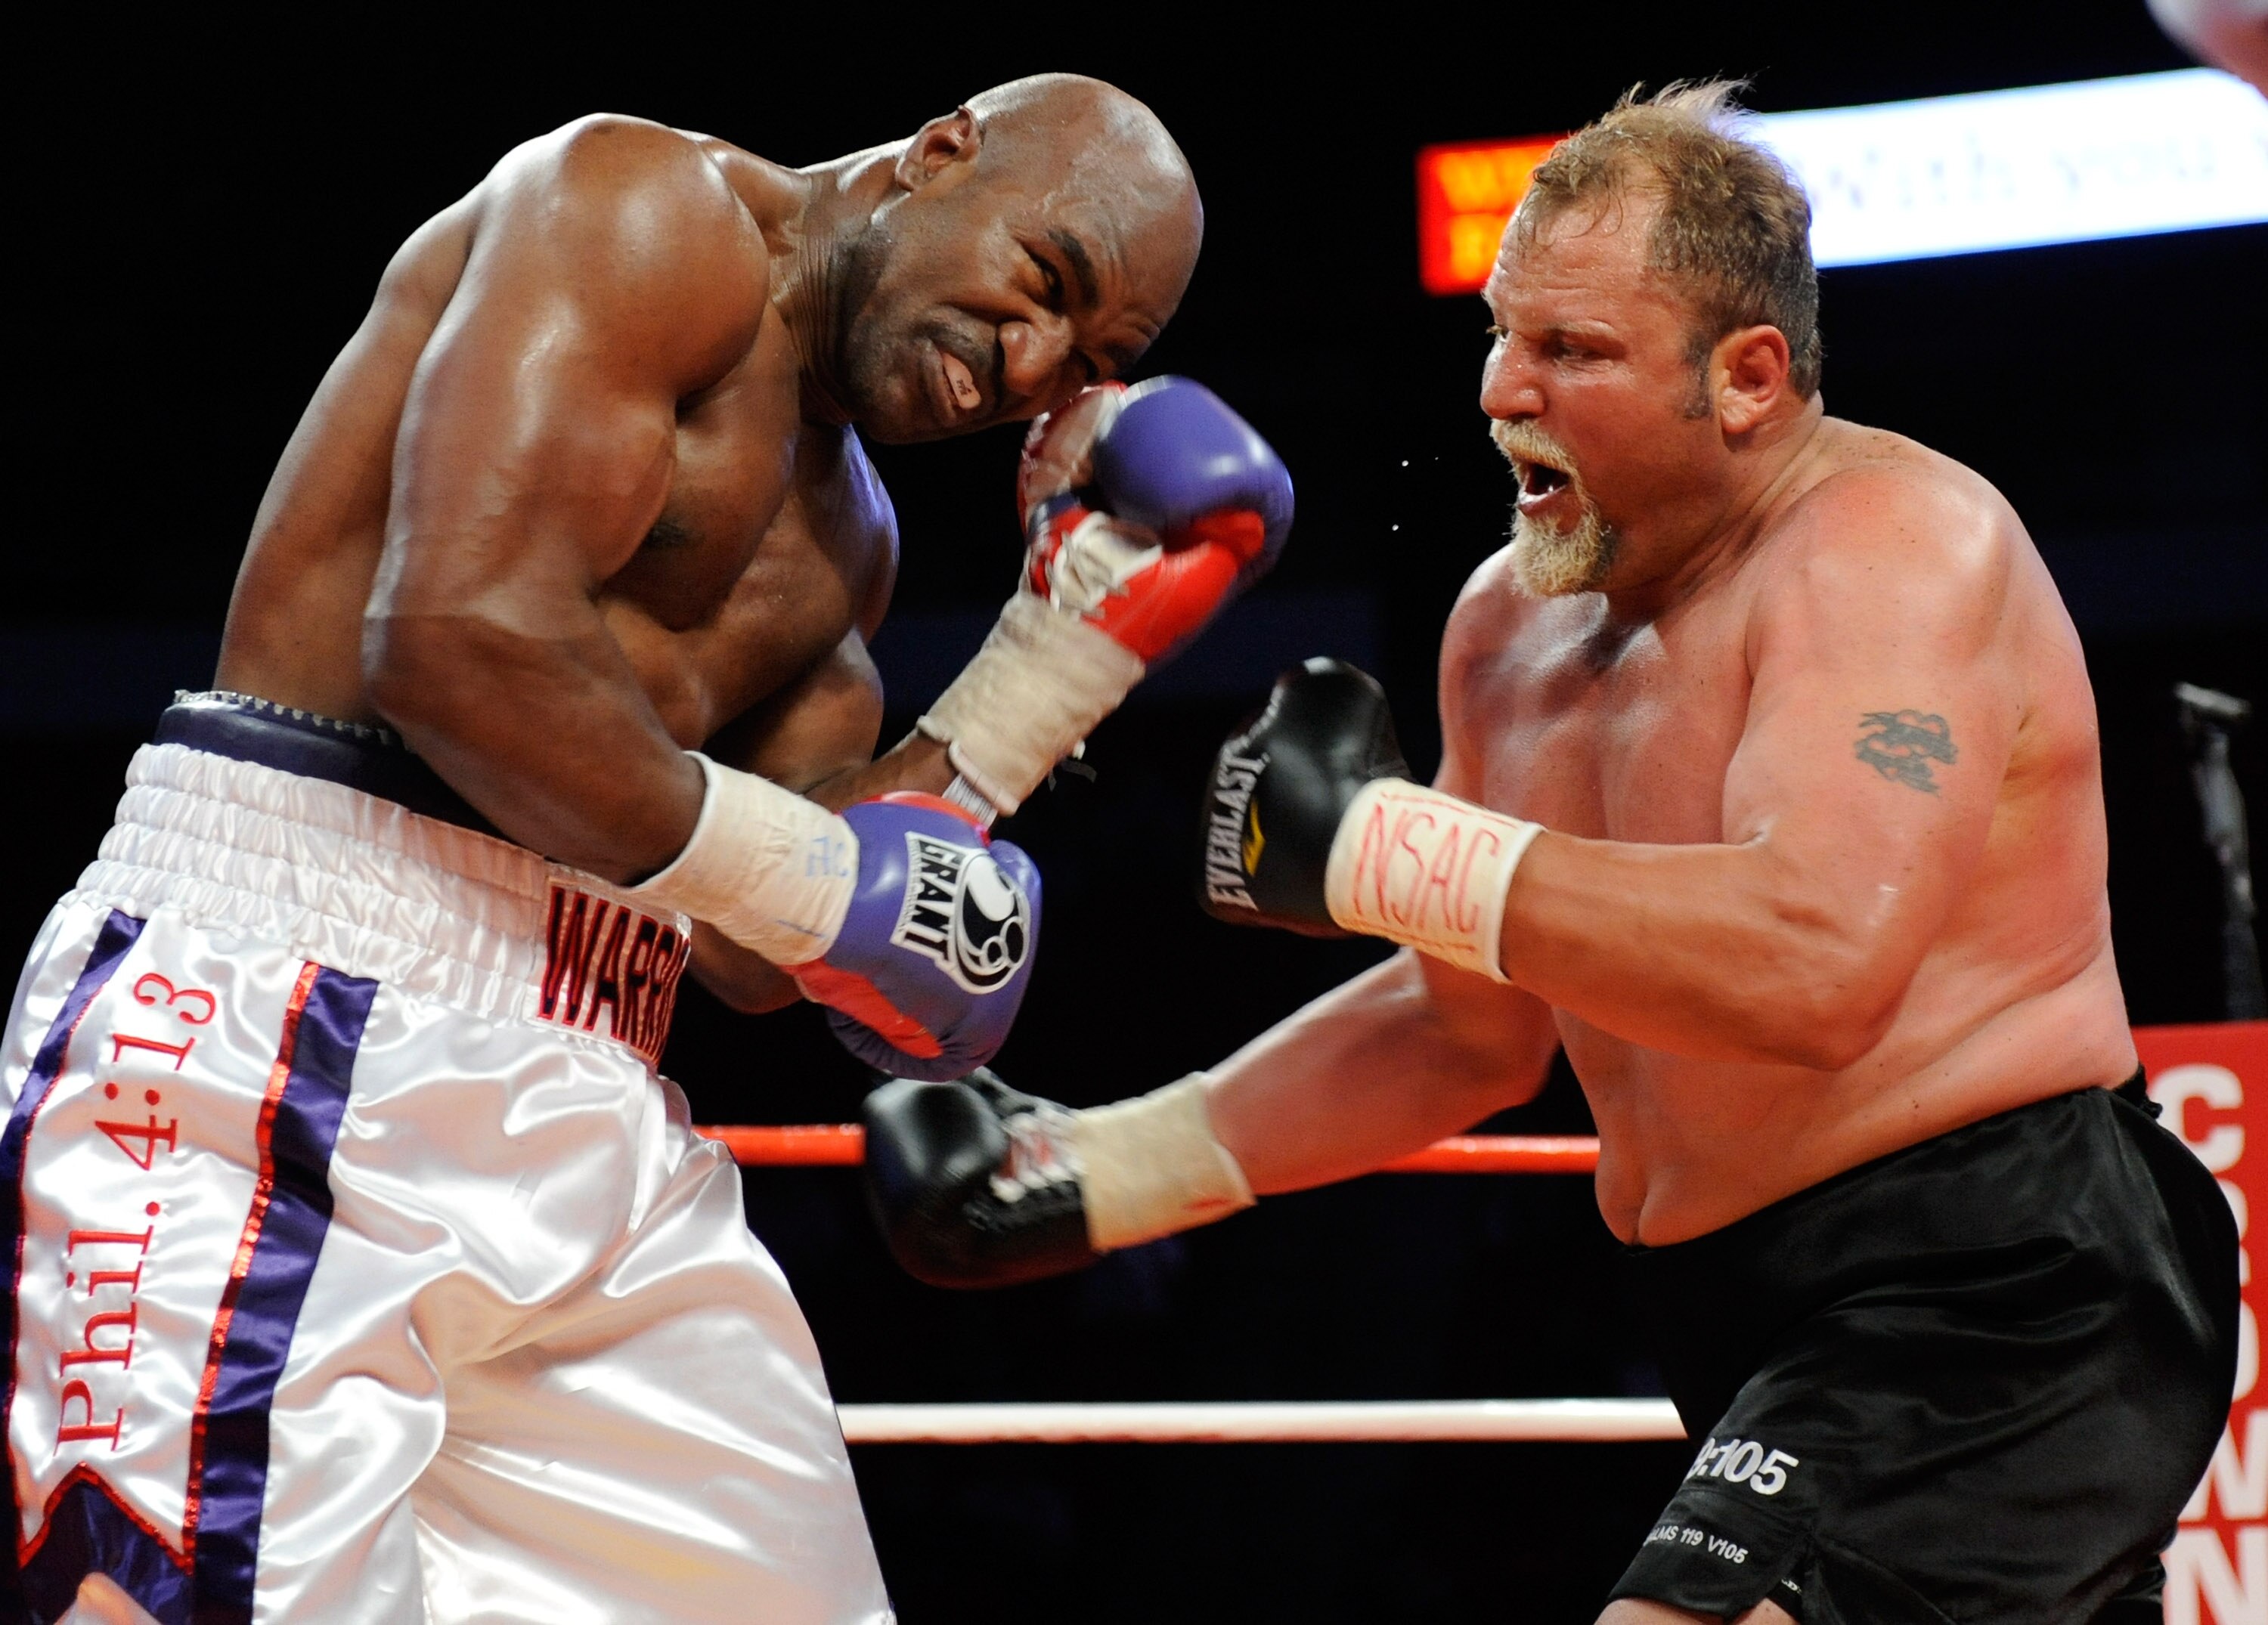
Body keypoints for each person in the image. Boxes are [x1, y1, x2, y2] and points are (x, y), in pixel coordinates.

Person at [864, 83, 2239, 1623]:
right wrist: (1098, 1171)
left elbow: (1817, 959)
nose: (1503, 389)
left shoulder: (1891, 551)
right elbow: (1471, 1030)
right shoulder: (1506, 630)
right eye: (1504, 333)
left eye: (1573, 351)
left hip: (1993, 1280)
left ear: (1747, 378)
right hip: (1734, 1306)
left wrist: (1386, 846)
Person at [2, 72, 1292, 1624]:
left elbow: (762, 946)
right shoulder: (639, 208)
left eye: (1082, 364)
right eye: (1041, 283)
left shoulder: (852, 542)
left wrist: (1045, 671)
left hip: (589, 1074)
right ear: (941, 152)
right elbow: (457, 639)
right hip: (284, 993)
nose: (1021, 369)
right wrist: (828, 884)